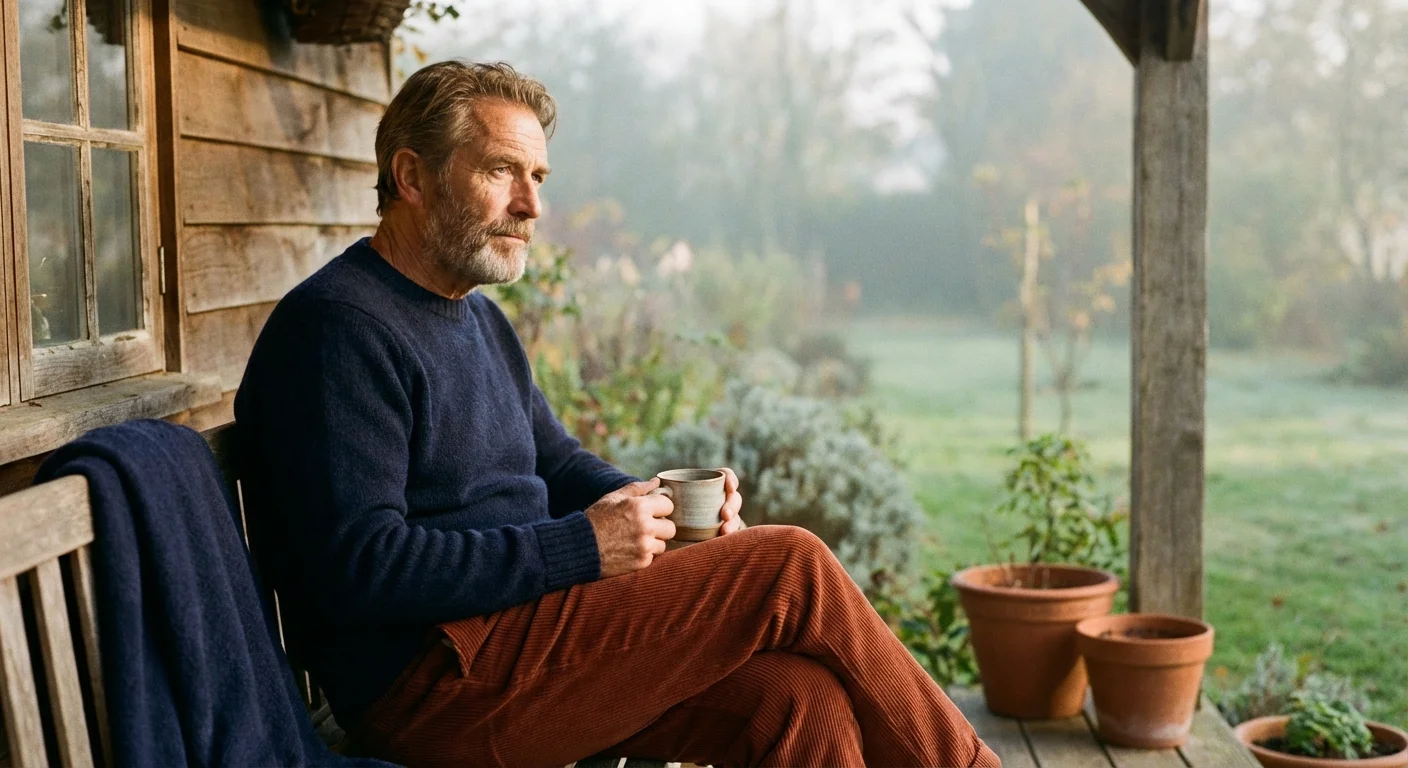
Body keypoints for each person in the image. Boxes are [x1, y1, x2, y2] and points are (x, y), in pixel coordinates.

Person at [235, 60, 998, 768]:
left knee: (797, 702)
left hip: (519, 639)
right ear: (412, 176)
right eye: (502, 171)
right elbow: (362, 569)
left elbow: (556, 464)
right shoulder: (337, 330)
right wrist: (581, 549)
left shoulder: (477, 320)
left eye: (537, 176)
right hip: (436, 687)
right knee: (787, 564)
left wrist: (660, 503)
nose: (531, 204)